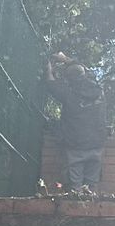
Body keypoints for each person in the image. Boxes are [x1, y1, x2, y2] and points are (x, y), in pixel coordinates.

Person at [45, 52, 108, 188]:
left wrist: (49, 69)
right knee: (91, 186)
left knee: (75, 186)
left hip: (76, 145)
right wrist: (67, 59)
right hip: (96, 144)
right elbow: (88, 72)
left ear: (69, 80)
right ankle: (90, 201)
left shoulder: (69, 94)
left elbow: (50, 84)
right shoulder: (99, 91)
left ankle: (76, 199)